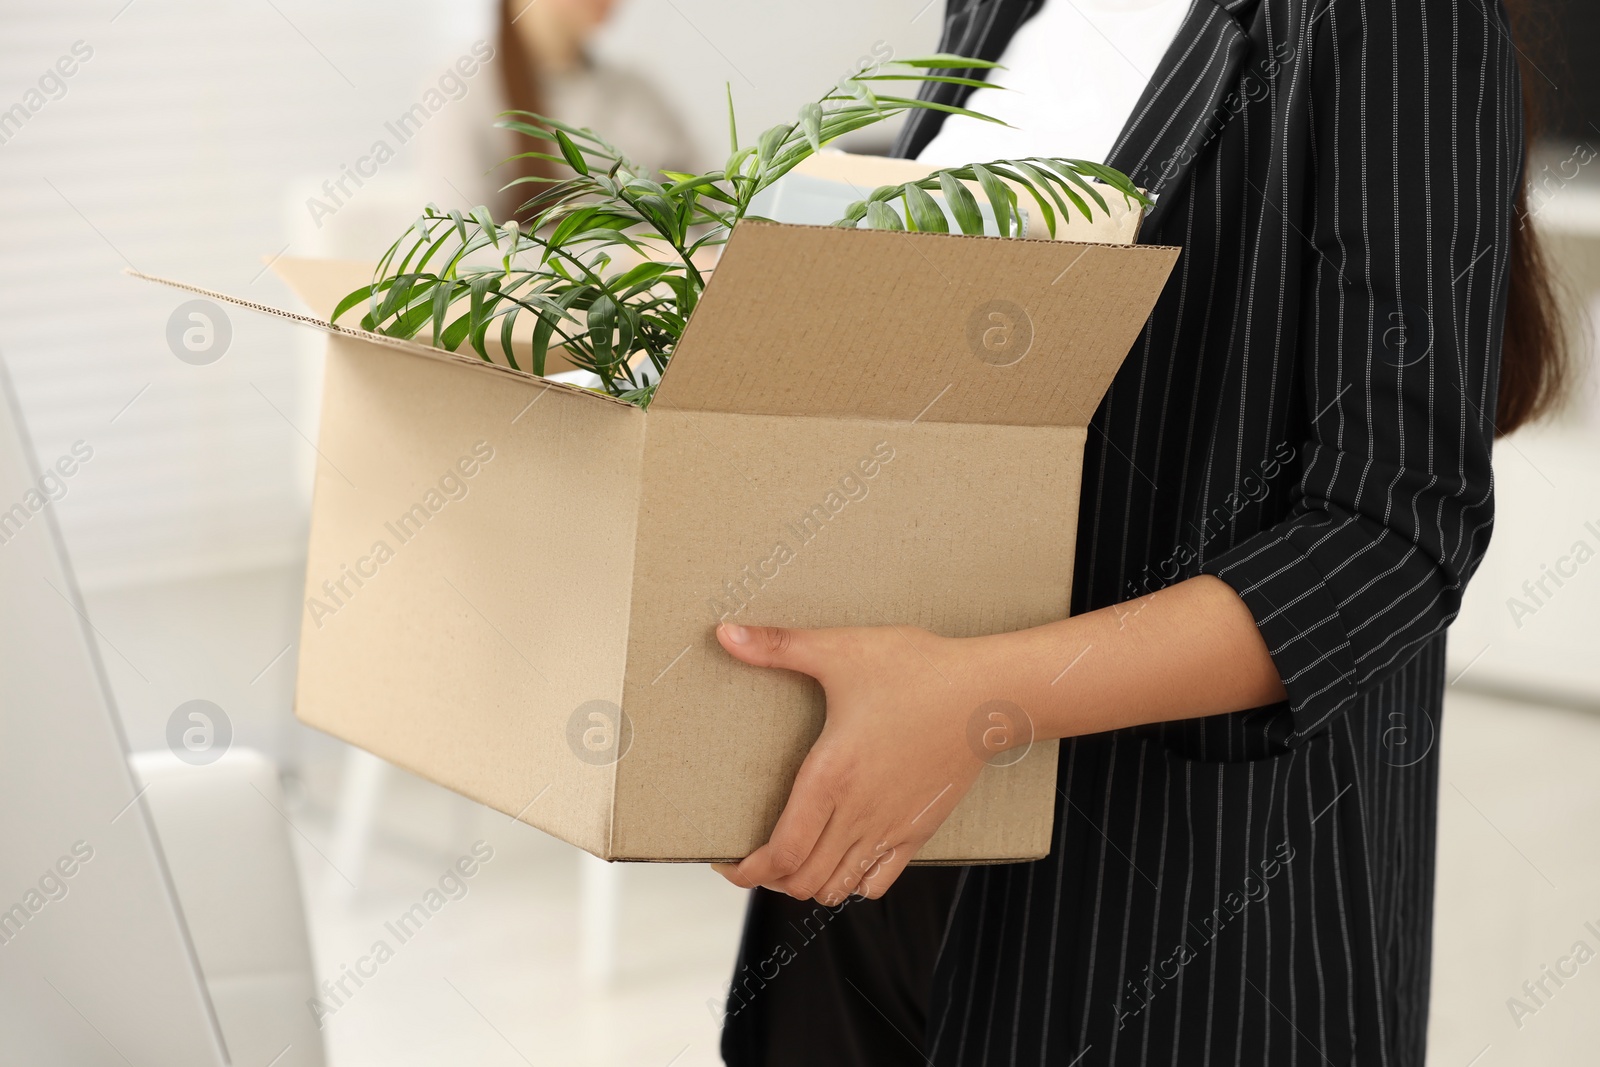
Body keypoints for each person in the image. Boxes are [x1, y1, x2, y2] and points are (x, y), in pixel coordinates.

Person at [715, 0, 1571, 1065]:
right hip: (875, 885)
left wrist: (983, 699)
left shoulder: (1393, 22)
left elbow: (1391, 531)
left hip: (1166, 917)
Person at [417, 0, 698, 221]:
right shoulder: (460, 91)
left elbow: (715, 210)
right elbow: (456, 250)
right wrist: (632, 261)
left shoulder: (639, 91)